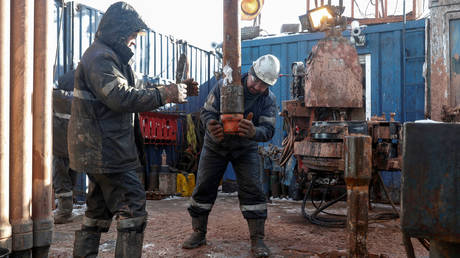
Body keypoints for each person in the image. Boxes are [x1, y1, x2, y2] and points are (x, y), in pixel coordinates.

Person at [68, 2, 196, 257]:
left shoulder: (113, 59)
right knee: (133, 207)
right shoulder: (100, 57)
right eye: (132, 36)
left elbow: (139, 89)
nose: (134, 42)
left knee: (97, 211)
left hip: (102, 150)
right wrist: (166, 94)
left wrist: (174, 88)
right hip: (105, 150)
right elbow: (120, 97)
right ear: (118, 32)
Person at [182, 54, 280, 257]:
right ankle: (198, 233)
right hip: (216, 146)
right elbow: (207, 112)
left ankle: (257, 239)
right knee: (204, 186)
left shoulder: (268, 100)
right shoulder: (224, 86)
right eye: (256, 80)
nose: (258, 87)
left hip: (245, 148)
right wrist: (211, 127)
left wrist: (254, 132)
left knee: (253, 190)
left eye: (264, 85)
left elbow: (269, 130)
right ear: (250, 72)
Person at [53, 69, 78, 224]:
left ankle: (64, 212)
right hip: (76, 147)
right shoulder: (80, 101)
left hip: (59, 147)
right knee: (71, 177)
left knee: (61, 179)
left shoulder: (54, 98)